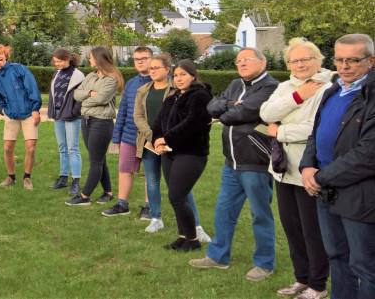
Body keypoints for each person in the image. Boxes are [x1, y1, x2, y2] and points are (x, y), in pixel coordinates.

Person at [191, 48, 279, 282]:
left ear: (263, 61)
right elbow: (212, 107)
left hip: (255, 162)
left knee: (260, 214)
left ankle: (264, 263)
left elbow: (242, 113)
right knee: (224, 211)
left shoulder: (270, 86)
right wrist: (232, 104)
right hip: (232, 163)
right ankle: (218, 256)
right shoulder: (235, 84)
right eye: (238, 61)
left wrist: (230, 109)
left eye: (246, 60)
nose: (241, 64)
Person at [300, 33, 375, 299]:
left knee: (365, 266)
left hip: (360, 195)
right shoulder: (334, 89)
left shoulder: (370, 96)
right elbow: (316, 132)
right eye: (339, 59)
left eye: (353, 60)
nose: (344, 66)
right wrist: (307, 167)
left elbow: (367, 154)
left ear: (371, 61)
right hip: (325, 191)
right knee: (337, 257)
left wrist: (321, 177)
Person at [260, 37, 332, 299]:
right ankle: (301, 278)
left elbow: (319, 127)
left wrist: (281, 131)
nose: (299, 64)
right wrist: (298, 96)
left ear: (317, 60)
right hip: (282, 169)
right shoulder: (285, 86)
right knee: (292, 228)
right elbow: (266, 113)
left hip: (308, 170)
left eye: (305, 59)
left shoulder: (328, 87)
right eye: (294, 60)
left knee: (312, 230)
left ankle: (318, 285)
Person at [134, 55, 212, 242]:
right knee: (175, 196)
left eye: (183, 74)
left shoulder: (200, 95)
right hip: (169, 152)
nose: (178, 78)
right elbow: (159, 121)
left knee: (178, 195)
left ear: (193, 76)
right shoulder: (173, 97)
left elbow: (192, 123)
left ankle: (193, 236)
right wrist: (157, 140)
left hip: (191, 152)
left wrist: (165, 138)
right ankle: (183, 236)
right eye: (176, 75)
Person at [66, 47, 119, 205]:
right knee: (99, 158)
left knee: (95, 161)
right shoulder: (91, 75)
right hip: (87, 119)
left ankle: (84, 196)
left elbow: (102, 98)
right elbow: (76, 94)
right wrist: (90, 93)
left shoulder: (112, 79)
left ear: (99, 58)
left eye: (91, 57)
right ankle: (108, 192)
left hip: (102, 122)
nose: (89, 60)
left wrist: (86, 96)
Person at [103, 46, 152, 216]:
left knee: (149, 173)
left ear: (152, 59)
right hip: (129, 136)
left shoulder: (161, 82)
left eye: (144, 58)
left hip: (150, 137)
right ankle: (122, 205)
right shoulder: (131, 83)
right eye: (137, 59)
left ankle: (149, 207)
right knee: (124, 170)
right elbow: (122, 111)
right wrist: (116, 138)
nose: (140, 61)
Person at [0, 44, 42, 190]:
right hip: (11, 116)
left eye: (1, 53)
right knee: (7, 148)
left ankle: (27, 178)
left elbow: (31, 86)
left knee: (31, 148)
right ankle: (11, 177)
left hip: (28, 113)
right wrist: (2, 110)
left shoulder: (18, 69)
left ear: (6, 56)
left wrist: (35, 109)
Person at [47, 48, 84, 195]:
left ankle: (76, 181)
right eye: (55, 61)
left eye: (60, 61)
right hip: (58, 114)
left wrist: (74, 112)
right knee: (62, 147)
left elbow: (82, 97)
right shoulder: (56, 74)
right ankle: (63, 177)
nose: (58, 64)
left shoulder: (78, 75)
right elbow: (54, 94)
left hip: (71, 115)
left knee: (72, 148)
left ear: (68, 59)